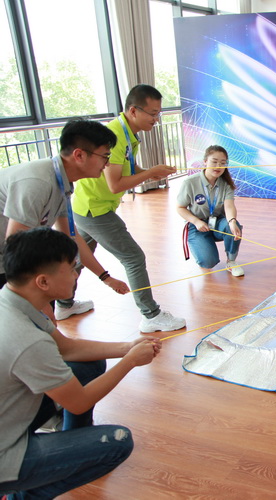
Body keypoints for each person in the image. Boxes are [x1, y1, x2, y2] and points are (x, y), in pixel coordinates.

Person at [0, 227, 161, 498]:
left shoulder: (13, 300)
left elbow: (67, 348)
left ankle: (72, 441)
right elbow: (79, 402)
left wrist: (127, 348)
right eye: (71, 268)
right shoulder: (27, 339)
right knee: (117, 443)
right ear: (43, 282)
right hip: (4, 451)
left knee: (90, 365)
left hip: (8, 415)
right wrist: (130, 362)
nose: (76, 274)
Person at [71, 84, 186, 333]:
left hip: (87, 205)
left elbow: (128, 169)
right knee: (133, 257)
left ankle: (64, 303)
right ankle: (151, 315)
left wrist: (152, 173)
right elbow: (115, 184)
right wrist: (151, 172)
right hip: (95, 208)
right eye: (153, 113)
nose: (156, 119)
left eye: (158, 113)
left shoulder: (127, 133)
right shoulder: (115, 135)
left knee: (79, 256)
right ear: (133, 111)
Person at [0, 118, 129, 320]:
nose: (107, 164)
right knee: (24, 322)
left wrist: (106, 278)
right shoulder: (38, 182)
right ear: (79, 155)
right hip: (8, 260)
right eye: (105, 156)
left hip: (13, 257)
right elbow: (15, 247)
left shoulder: (61, 182)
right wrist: (40, 306)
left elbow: (71, 235)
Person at [177, 145, 244, 277]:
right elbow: (180, 208)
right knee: (208, 262)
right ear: (205, 162)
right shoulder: (190, 182)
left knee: (233, 226)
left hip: (217, 222)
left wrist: (232, 222)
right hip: (197, 225)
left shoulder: (226, 184)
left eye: (223, 163)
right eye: (214, 161)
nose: (218, 166)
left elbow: (229, 206)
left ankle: (231, 262)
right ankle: (202, 244)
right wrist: (196, 222)